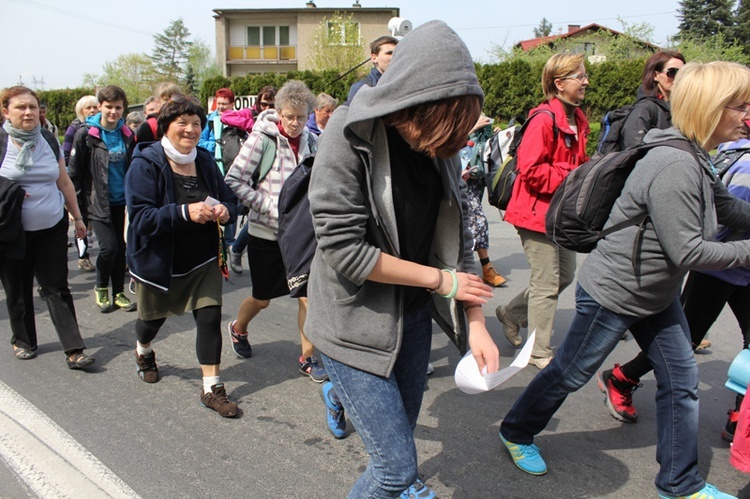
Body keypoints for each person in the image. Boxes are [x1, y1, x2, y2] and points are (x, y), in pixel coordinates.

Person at [499, 61, 750, 499]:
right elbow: (690, 252)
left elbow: (728, 210)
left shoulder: (696, 155)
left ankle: (679, 483)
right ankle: (516, 431)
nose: (747, 115)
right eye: (740, 105)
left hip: (655, 293)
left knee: (682, 383)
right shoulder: (676, 164)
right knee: (569, 373)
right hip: (616, 292)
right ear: (712, 107)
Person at [306, 21, 500, 498]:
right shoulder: (348, 134)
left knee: (402, 444)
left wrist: (474, 321)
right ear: (418, 103)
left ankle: (342, 397)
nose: (456, 144)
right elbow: (344, 249)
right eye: (449, 127)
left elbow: (458, 241)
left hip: (411, 318)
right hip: (351, 323)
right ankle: (341, 387)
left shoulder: (441, 149)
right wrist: (440, 281)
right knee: (395, 470)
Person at [598, 121, 750, 435]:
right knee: (682, 343)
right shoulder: (736, 162)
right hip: (718, 267)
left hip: (741, 266)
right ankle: (622, 377)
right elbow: (715, 224)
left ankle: (741, 415)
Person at [125, 94, 239, 417]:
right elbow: (143, 218)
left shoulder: (203, 159)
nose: (191, 130)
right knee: (151, 320)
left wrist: (225, 211)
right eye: (183, 123)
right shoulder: (145, 163)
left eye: (196, 124)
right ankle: (143, 350)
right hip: (160, 261)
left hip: (202, 258)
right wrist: (186, 212)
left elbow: (230, 199)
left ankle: (211, 387)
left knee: (209, 317)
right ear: (165, 127)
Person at [224, 80, 325, 381]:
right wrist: (271, 205)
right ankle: (238, 328)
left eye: (301, 117)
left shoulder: (313, 141)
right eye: (289, 116)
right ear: (279, 112)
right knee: (263, 298)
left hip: (302, 237)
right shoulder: (261, 140)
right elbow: (234, 181)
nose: (295, 124)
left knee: (307, 296)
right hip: (265, 233)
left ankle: (307, 358)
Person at [494, 53, 590, 369]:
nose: (586, 81)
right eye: (580, 76)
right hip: (536, 214)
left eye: (585, 75)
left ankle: (510, 313)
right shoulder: (543, 119)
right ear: (559, 83)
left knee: (564, 277)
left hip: (560, 214)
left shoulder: (577, 117)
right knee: (547, 283)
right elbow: (532, 170)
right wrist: (576, 173)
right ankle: (538, 351)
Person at [0, 86, 94, 369]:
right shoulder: (1, 141)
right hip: (11, 230)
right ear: (6, 112)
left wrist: (77, 218)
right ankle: (24, 340)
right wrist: (10, 191)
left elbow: (63, 181)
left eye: (33, 106)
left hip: (51, 225)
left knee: (56, 286)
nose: (28, 112)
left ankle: (74, 348)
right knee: (18, 288)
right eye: (20, 107)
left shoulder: (48, 140)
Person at [69, 85, 136, 313]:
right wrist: (77, 211)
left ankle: (118, 292)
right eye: (109, 107)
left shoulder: (127, 134)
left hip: (121, 202)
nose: (113, 112)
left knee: (120, 248)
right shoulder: (86, 134)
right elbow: (74, 174)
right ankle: (101, 287)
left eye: (118, 107)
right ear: (100, 107)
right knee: (108, 248)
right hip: (97, 203)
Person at [226, 86, 277, 275]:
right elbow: (226, 117)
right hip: (246, 171)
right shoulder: (251, 116)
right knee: (254, 215)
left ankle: (237, 248)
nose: (267, 108)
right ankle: (236, 248)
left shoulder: (278, 122)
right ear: (258, 103)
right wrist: (253, 125)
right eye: (264, 103)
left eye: (272, 104)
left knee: (256, 217)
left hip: (266, 172)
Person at [463, 114, 507, 287]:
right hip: (461, 176)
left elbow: (485, 148)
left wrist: (496, 136)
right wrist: (472, 128)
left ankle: (467, 266)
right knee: (479, 220)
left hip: (478, 177)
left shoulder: (481, 116)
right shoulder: (458, 114)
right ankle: (486, 268)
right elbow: (448, 139)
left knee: (468, 222)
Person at [620, 50, 686, 150]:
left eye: (682, 74)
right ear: (655, 75)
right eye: (672, 73)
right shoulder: (645, 108)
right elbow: (633, 149)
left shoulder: (679, 108)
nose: (678, 78)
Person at [62, 94, 98, 273]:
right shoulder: (75, 129)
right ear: (81, 111)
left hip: (97, 185)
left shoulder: (101, 129)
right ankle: (83, 257)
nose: (92, 111)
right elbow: (67, 156)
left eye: (94, 107)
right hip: (81, 184)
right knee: (82, 222)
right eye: (88, 108)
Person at [346, 35, 398, 103]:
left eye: (397, 53)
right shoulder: (361, 88)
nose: (394, 57)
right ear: (374, 58)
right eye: (389, 53)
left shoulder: (403, 85)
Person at [198, 87, 235, 168]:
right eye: (218, 103)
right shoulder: (208, 120)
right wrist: (217, 146)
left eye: (224, 104)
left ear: (232, 104)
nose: (220, 107)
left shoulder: (239, 122)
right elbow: (199, 142)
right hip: (211, 165)